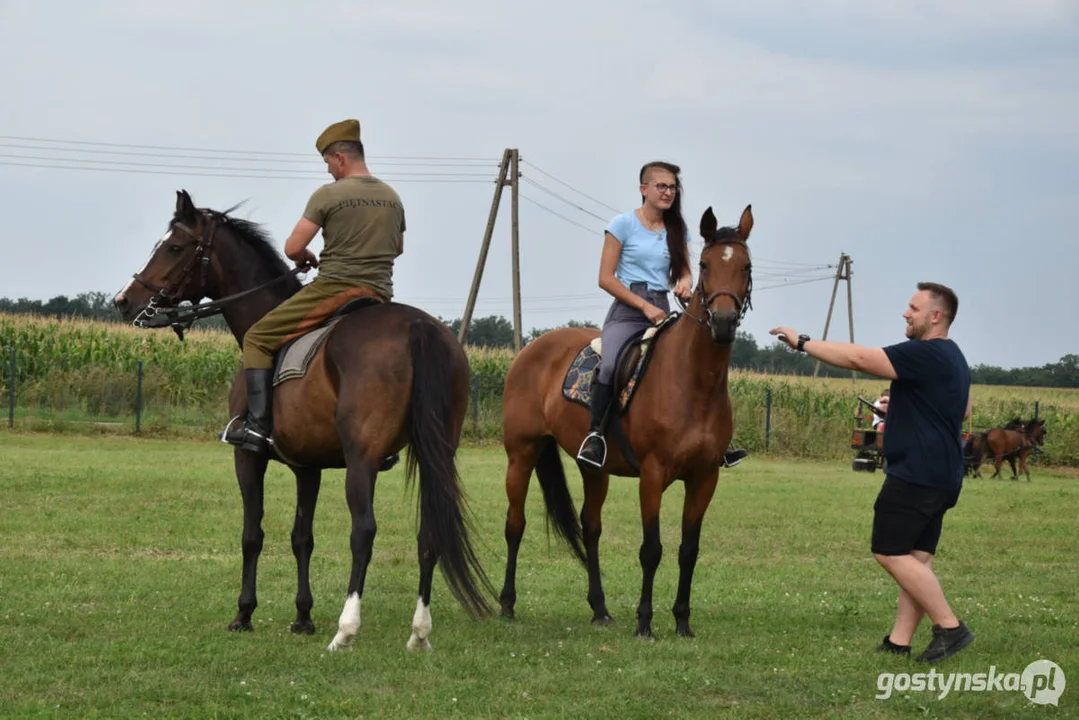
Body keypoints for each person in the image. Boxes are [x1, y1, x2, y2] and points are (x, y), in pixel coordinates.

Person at [770, 282, 975, 664]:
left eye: (913, 308)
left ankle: (950, 626)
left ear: (935, 316)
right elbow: (962, 411)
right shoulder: (955, 358)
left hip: (916, 474)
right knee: (916, 560)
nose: (905, 313)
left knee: (889, 552)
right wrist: (909, 402)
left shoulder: (924, 353)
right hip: (945, 474)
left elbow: (859, 359)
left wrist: (802, 343)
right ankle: (899, 641)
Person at [223, 118, 406, 459]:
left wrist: (306, 255)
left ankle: (257, 428)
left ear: (339, 157)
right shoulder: (392, 197)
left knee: (257, 339)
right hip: (379, 296)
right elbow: (398, 248)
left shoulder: (329, 195)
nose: (328, 171)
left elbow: (292, 248)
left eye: (327, 163)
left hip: (334, 290)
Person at [575, 161, 748, 470]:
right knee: (612, 363)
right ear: (644, 190)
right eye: (662, 186)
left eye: (672, 187)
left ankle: (716, 441)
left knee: (698, 366)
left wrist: (684, 283)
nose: (668, 192)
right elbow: (605, 278)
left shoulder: (676, 231)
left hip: (663, 310)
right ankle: (595, 436)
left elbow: (683, 271)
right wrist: (643, 306)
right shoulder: (622, 224)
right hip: (628, 312)